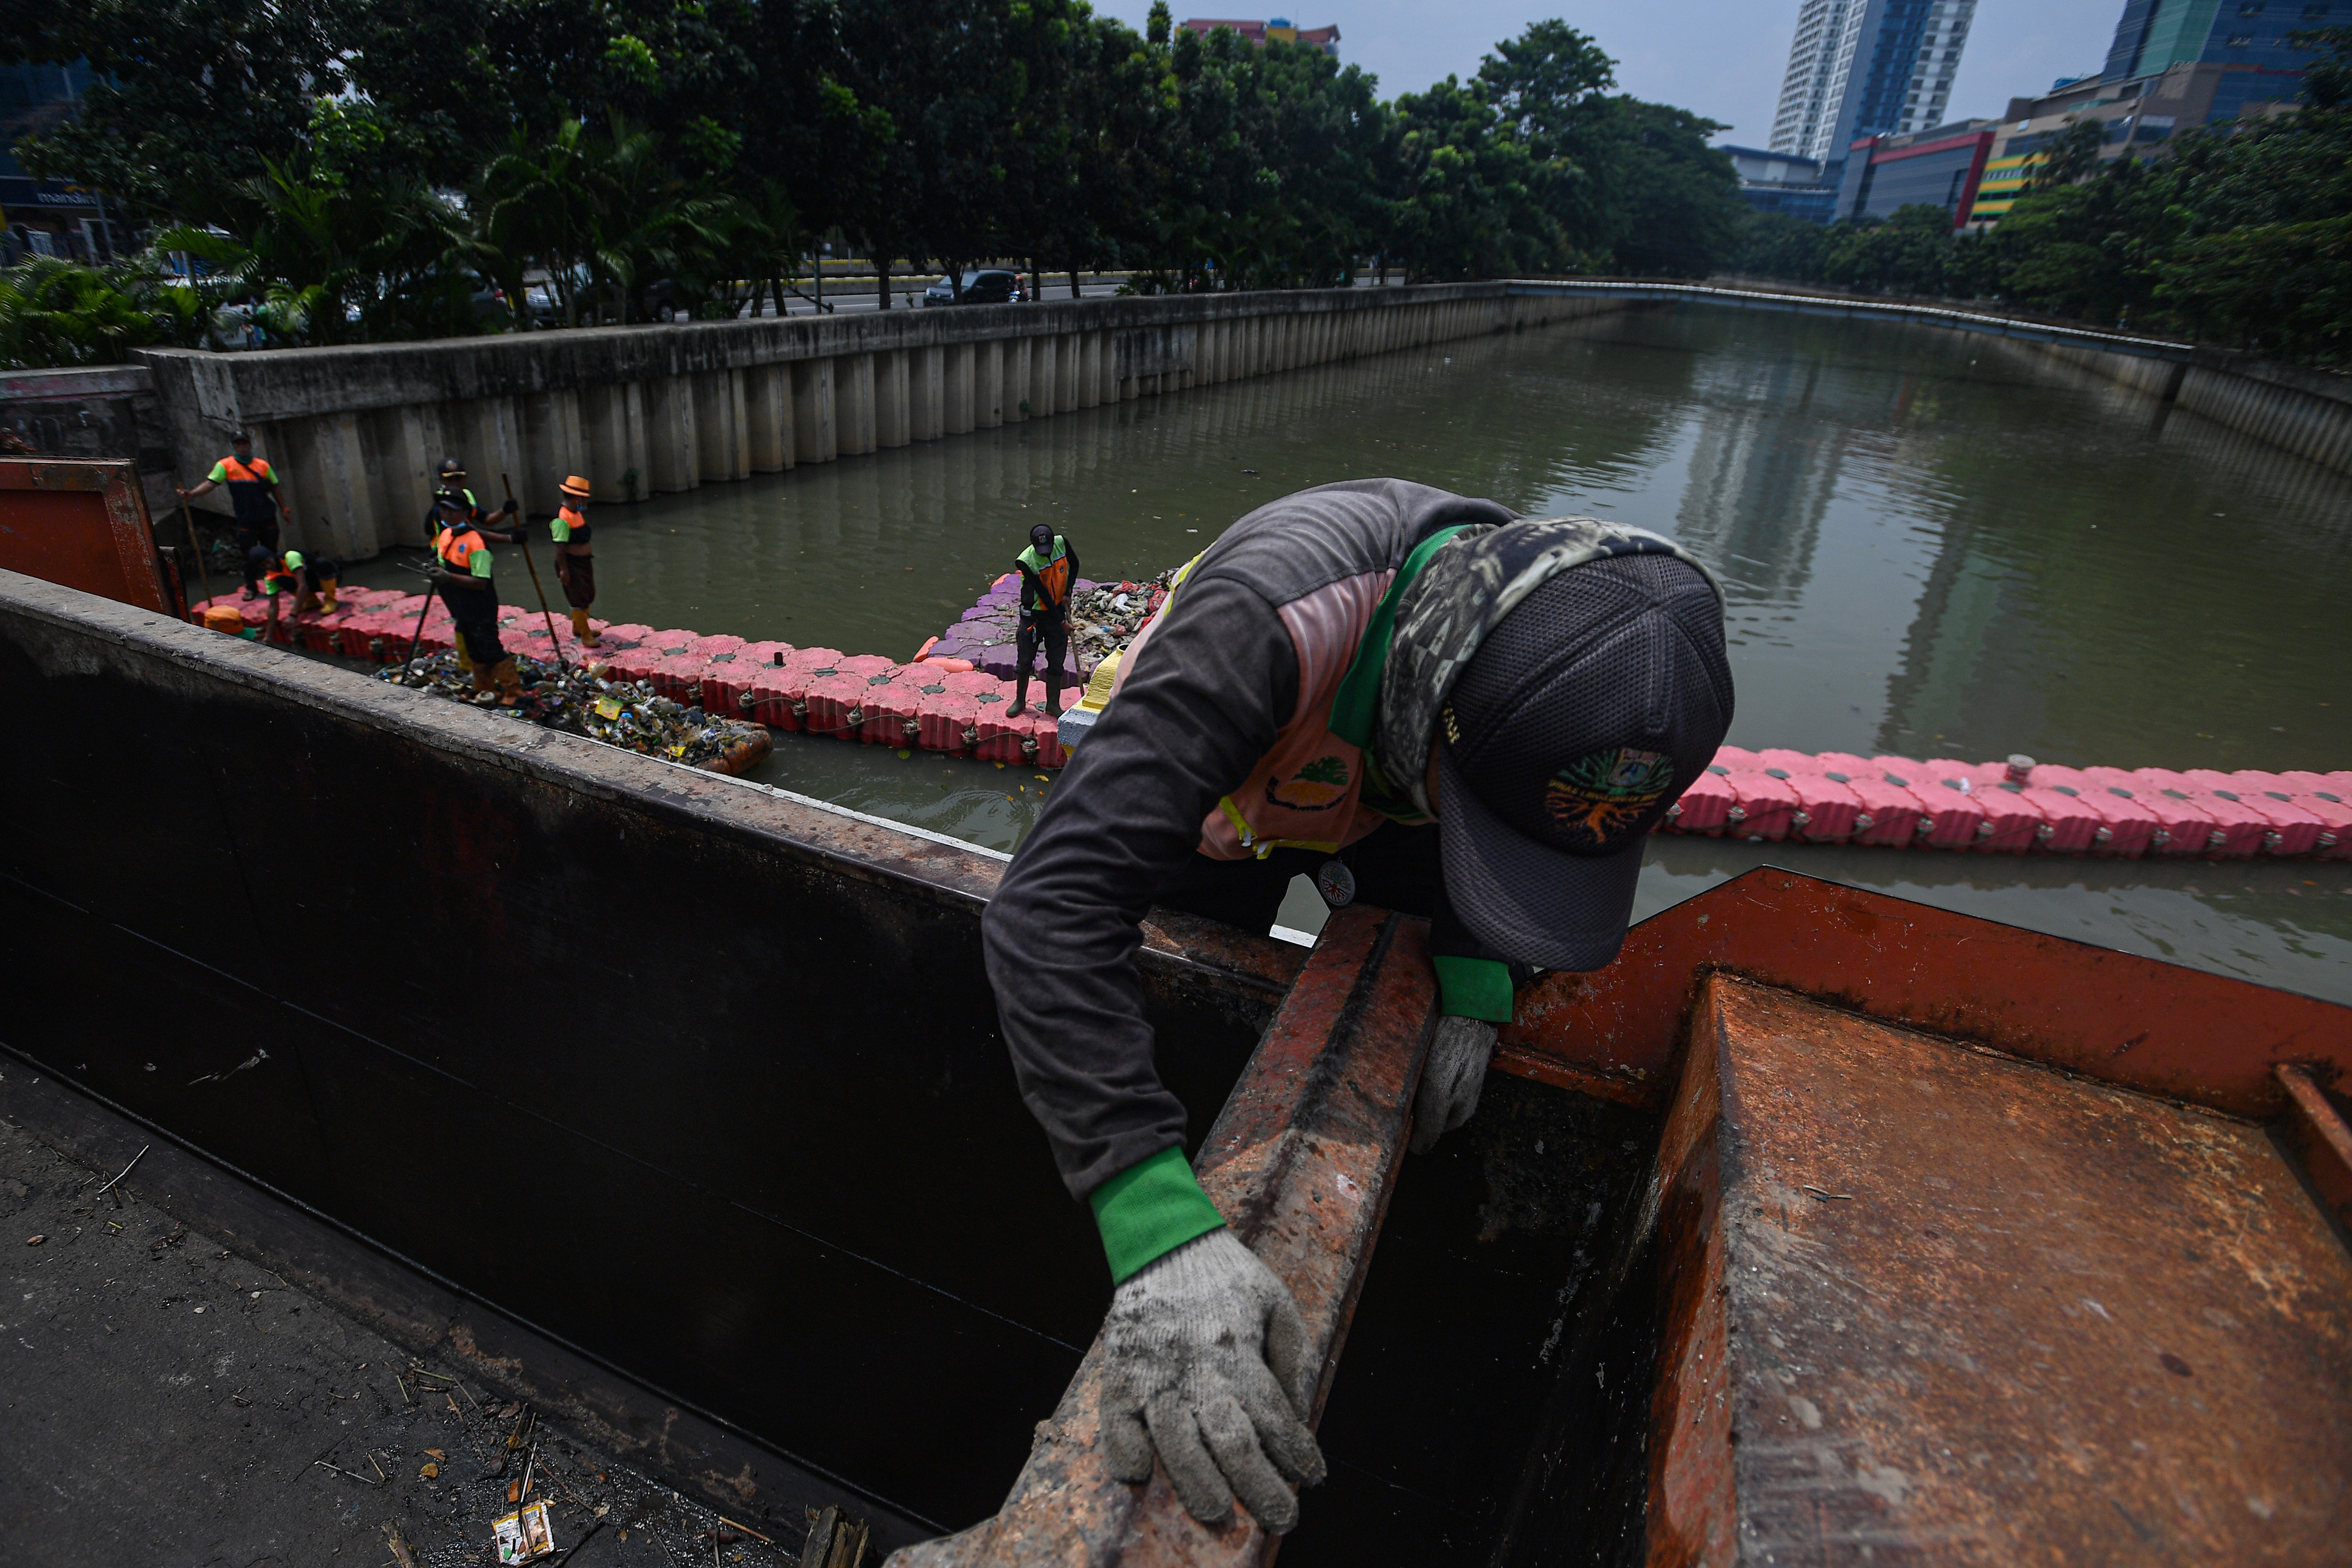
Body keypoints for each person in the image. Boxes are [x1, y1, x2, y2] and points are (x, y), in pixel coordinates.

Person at [978, 480, 1733, 1534]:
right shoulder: (1262, 623)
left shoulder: (1564, 633)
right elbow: (1049, 908)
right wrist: (1158, 1231)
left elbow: (1518, 811)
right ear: (1429, 700)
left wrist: (1477, 971)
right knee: (1165, 1015)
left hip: (1386, 798)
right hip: (1229, 797)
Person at [430, 488, 526, 704]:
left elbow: (480, 582)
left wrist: (447, 577)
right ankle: (483, 687)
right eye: (443, 509)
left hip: (479, 607)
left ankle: (514, 691)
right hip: (459, 605)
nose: (446, 514)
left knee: (489, 647)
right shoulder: (446, 535)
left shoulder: (476, 543)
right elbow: (442, 560)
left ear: (464, 512)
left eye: (452, 510)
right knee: (473, 648)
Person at [178, 430, 292, 598]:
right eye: (238, 444)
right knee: (248, 554)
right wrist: (192, 494)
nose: (242, 447)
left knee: (271, 551)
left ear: (249, 444)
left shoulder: (262, 465)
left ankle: (276, 584)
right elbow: (211, 484)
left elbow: (275, 487)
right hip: (246, 518)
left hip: (266, 515)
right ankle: (252, 588)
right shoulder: (226, 465)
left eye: (244, 443)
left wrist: (285, 510)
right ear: (234, 446)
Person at [1008, 521, 1079, 718]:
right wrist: (1062, 623)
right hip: (1034, 615)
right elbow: (1043, 595)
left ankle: (1053, 705)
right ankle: (1020, 701)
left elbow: (1075, 565)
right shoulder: (1025, 561)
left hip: (1057, 610)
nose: (1046, 554)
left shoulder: (1062, 543)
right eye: (1041, 551)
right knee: (1024, 661)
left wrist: (1068, 591)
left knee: (1056, 662)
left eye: (1047, 549)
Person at [548, 474, 599, 647]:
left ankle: (579, 627)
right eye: (583, 497)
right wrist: (564, 570)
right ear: (577, 497)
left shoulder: (576, 513)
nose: (584, 501)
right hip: (571, 564)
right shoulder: (561, 519)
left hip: (584, 562)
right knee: (577, 597)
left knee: (588, 594)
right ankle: (585, 635)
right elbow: (559, 548)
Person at [422, 456, 514, 544]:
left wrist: (504, 510)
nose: (455, 483)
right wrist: (510, 539)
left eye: (459, 478)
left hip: (465, 546)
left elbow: (486, 519)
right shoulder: (442, 505)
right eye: (450, 479)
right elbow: (468, 531)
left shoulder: (466, 495)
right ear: (442, 480)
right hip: (447, 553)